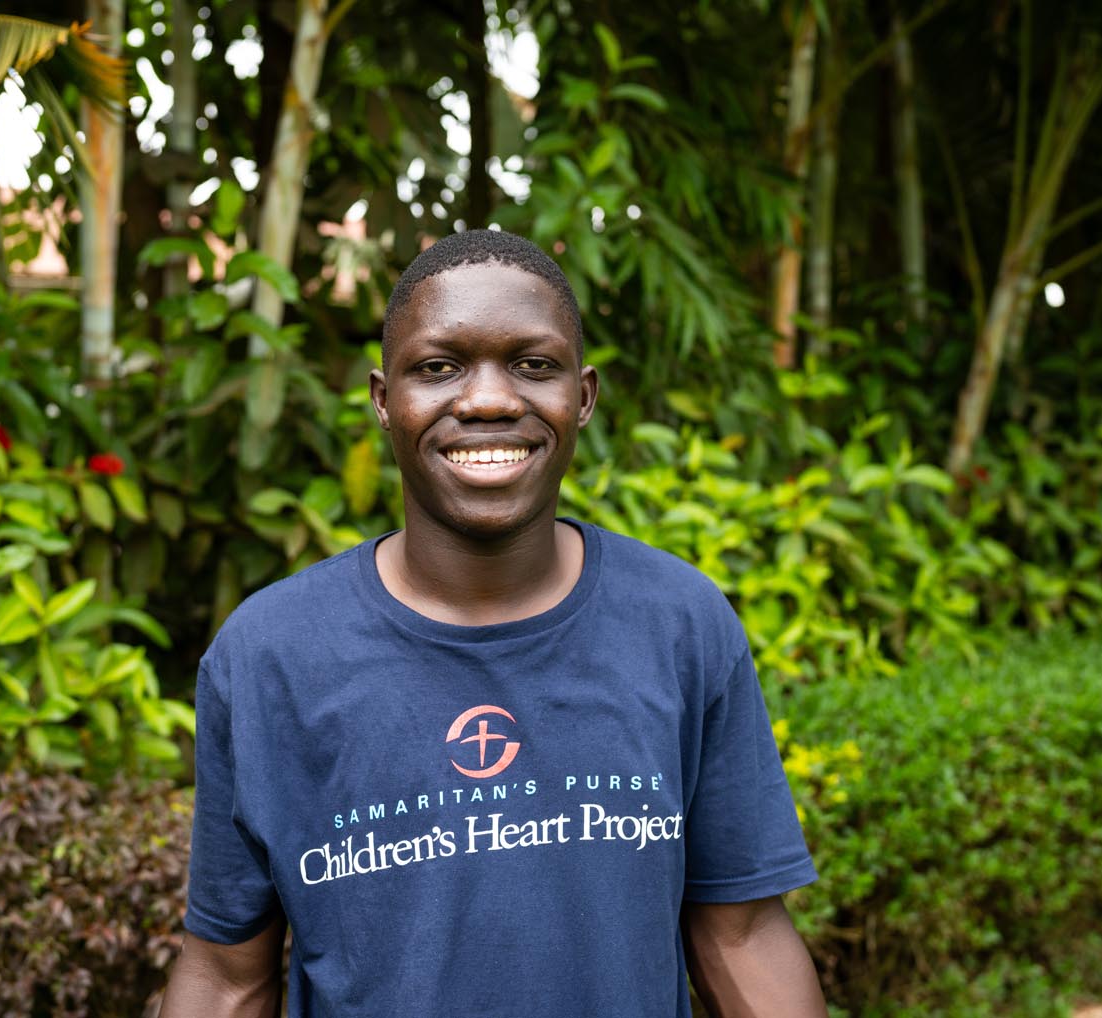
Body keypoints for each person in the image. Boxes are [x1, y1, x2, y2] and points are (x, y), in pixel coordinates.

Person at [160, 229, 827, 1018]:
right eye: (438, 368)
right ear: (384, 399)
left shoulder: (678, 623)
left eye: (532, 365)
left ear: (581, 396)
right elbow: (228, 973)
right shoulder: (270, 653)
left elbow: (742, 935)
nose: (487, 400)